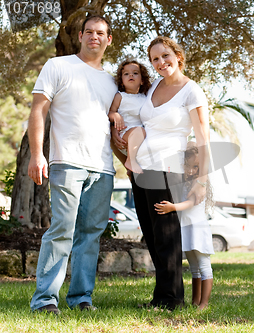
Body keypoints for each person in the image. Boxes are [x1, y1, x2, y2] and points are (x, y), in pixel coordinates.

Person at [113, 36, 211, 310]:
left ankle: (171, 299)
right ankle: (161, 295)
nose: (161, 62)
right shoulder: (153, 85)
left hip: (166, 169)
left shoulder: (191, 91)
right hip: (141, 169)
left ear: (178, 56)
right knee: (153, 235)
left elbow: (203, 137)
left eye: (165, 56)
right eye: (155, 59)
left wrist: (202, 179)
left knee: (167, 236)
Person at [27, 15, 116, 315]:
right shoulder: (59, 66)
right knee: (62, 229)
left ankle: (81, 298)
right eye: (89, 32)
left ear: (108, 40)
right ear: (79, 36)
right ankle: (44, 300)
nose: (94, 37)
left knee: (90, 234)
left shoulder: (112, 81)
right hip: (67, 161)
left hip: (103, 168)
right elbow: (39, 109)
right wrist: (37, 154)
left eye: (100, 33)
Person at [154, 144, 214, 310]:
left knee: (204, 266)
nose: (191, 170)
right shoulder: (183, 181)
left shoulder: (199, 183)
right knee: (194, 268)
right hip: (186, 229)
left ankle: (204, 303)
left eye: (195, 166)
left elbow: (191, 203)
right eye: (187, 165)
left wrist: (173, 207)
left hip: (198, 229)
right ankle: (195, 300)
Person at [108, 58, 151, 173]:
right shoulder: (120, 96)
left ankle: (132, 165)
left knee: (140, 131)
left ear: (142, 80)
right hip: (125, 135)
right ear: (122, 81)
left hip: (141, 138)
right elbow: (111, 112)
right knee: (139, 131)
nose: (130, 75)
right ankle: (130, 161)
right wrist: (116, 116)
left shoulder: (145, 98)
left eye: (135, 73)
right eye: (126, 74)